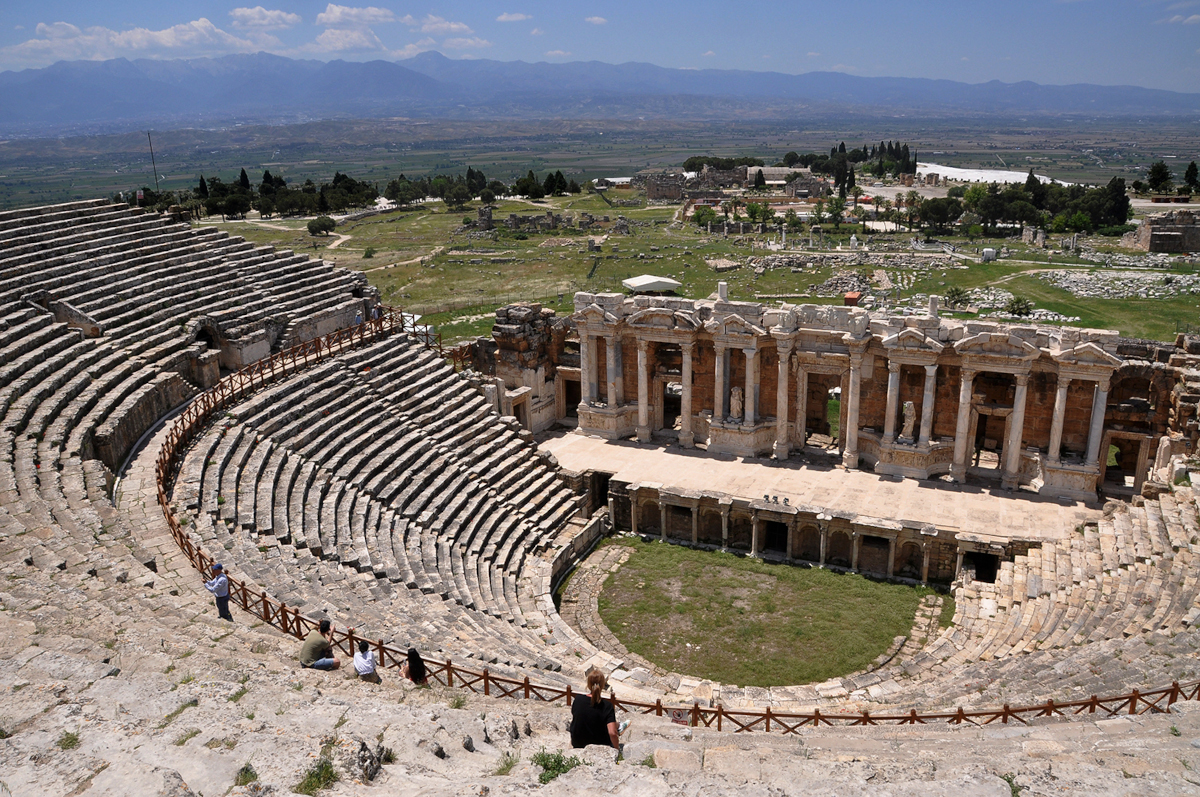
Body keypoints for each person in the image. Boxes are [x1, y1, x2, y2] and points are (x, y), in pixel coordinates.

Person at [569, 670, 619, 749]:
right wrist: (616, 749)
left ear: (588, 684)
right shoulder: (607, 706)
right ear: (602, 685)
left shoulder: (578, 699)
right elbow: (612, 733)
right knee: (615, 726)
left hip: (577, 743)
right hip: (599, 745)